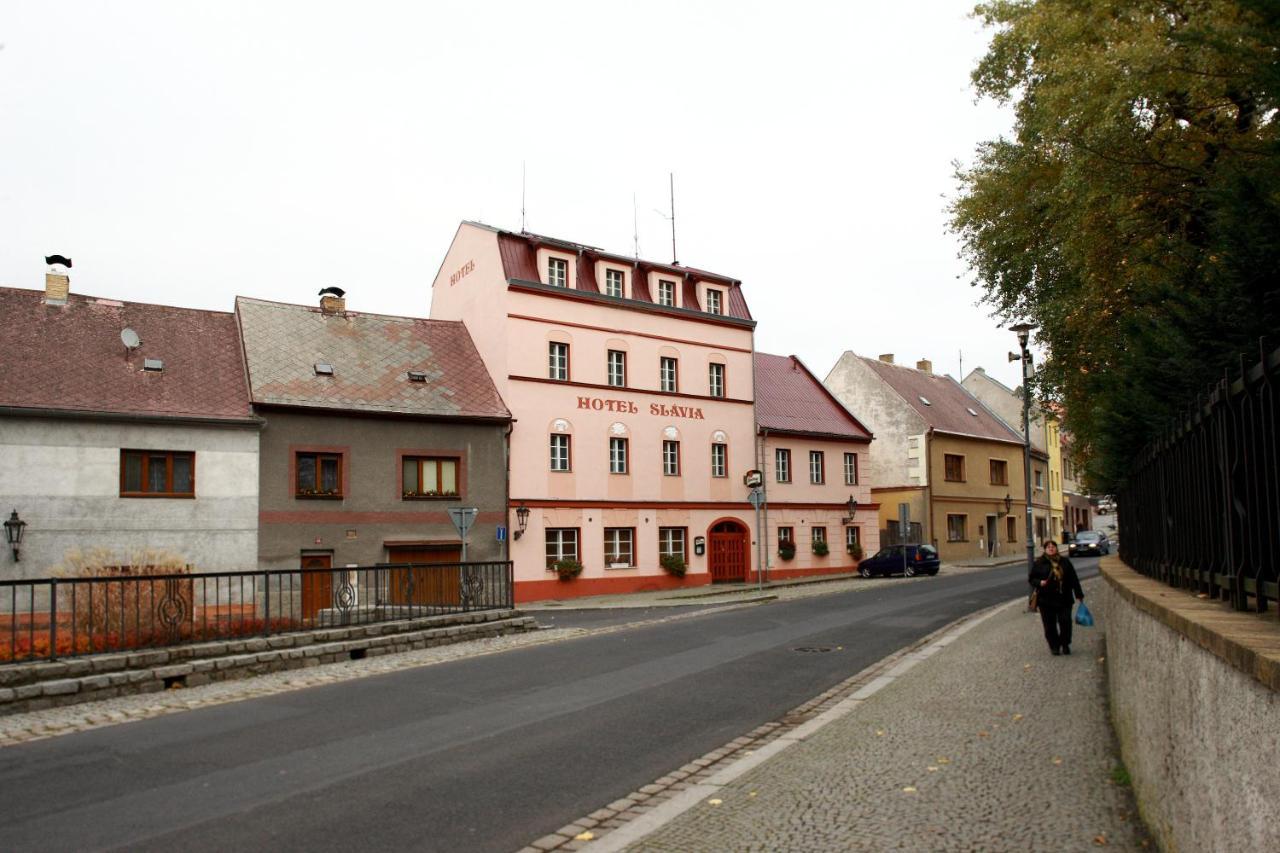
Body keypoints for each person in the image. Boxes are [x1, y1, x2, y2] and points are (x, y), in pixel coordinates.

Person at [1029, 539, 1084, 655]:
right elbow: (1032, 579)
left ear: (1056, 548)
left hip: (1064, 598)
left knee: (1065, 622)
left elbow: (1073, 579)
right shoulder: (1039, 563)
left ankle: (1065, 644)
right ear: (1045, 549)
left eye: (1053, 546)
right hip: (1046, 600)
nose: (1051, 548)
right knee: (1049, 626)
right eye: (1048, 547)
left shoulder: (1065, 562)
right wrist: (1040, 582)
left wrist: (1079, 594)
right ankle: (1054, 646)